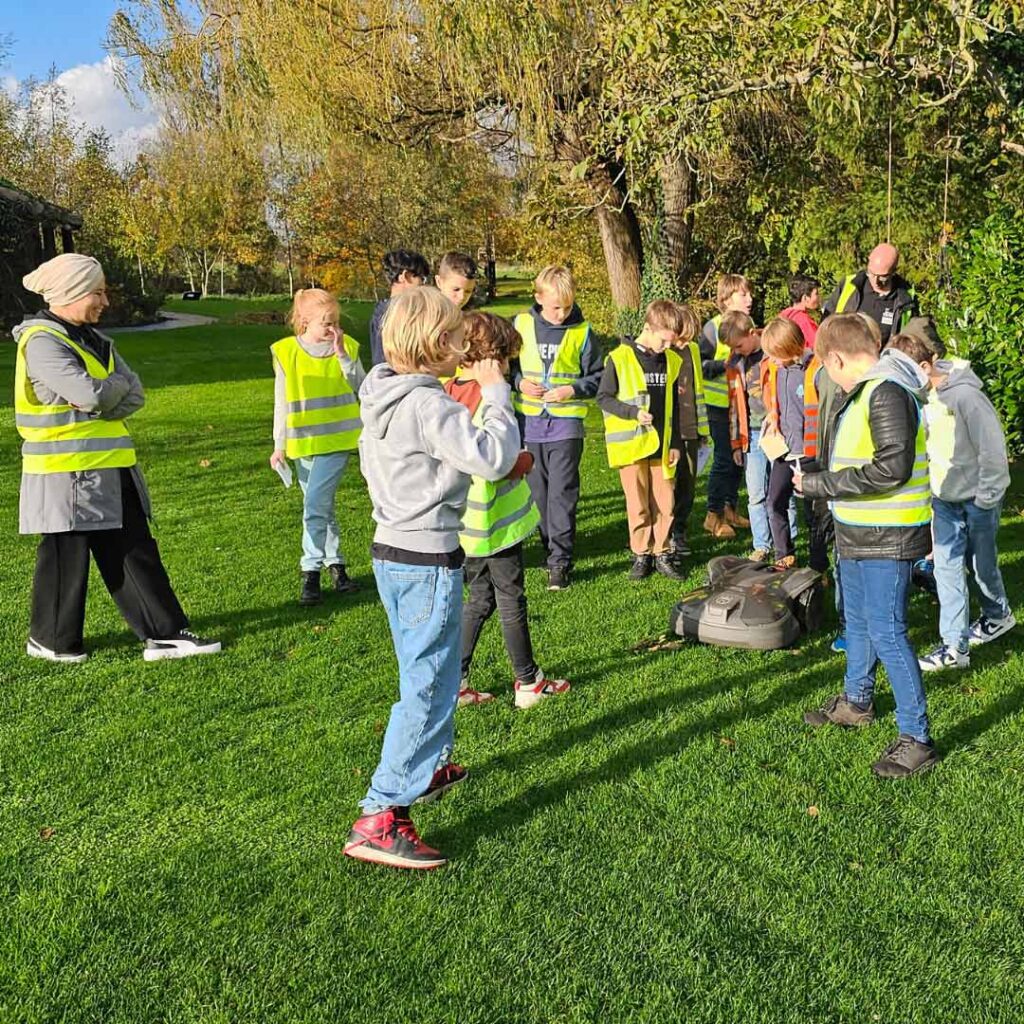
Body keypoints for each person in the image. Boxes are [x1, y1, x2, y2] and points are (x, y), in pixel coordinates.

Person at [344, 287, 521, 870]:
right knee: (428, 685)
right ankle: (380, 815)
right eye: (459, 339)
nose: (466, 349)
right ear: (438, 343)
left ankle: (427, 766)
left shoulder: (382, 391)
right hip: (426, 559)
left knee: (428, 672)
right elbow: (492, 457)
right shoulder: (428, 405)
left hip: (391, 551)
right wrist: (496, 393)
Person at [14, 253, 220, 663]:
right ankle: (53, 640)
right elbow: (92, 395)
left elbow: (133, 394)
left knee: (130, 547)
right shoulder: (42, 342)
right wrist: (109, 390)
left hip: (105, 467)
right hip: (66, 472)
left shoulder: (93, 340)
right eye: (98, 292)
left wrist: (105, 393)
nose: (105, 302)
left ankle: (161, 634)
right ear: (71, 292)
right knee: (69, 555)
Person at [798, 314, 938, 779]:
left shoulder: (886, 391)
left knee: (887, 631)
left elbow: (892, 468)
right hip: (858, 529)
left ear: (836, 359)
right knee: (857, 620)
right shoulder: (868, 391)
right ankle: (856, 700)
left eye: (826, 369)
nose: (828, 378)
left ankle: (917, 738)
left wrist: (821, 484)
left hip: (886, 533)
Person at [444, 312, 571, 707]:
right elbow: (496, 461)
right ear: (491, 358)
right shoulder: (489, 396)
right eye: (505, 360)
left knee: (480, 598)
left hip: (465, 523)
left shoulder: (447, 390)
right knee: (511, 598)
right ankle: (529, 682)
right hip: (495, 521)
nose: (507, 369)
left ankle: (455, 682)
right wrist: (524, 462)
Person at [887, 333, 1015, 670]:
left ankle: (998, 615)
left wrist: (986, 499)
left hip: (978, 499)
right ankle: (955, 647)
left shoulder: (967, 398)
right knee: (946, 569)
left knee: (982, 567)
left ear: (924, 366)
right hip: (944, 500)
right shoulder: (921, 399)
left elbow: (993, 451)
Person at [270, 288, 364, 605]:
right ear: (305, 320)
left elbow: (364, 387)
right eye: (327, 323)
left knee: (314, 506)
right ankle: (337, 566)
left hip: (338, 440)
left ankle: (309, 571)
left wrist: (342, 355)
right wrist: (279, 444)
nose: (333, 328)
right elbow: (281, 402)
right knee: (323, 507)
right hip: (302, 443)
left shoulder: (348, 346)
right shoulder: (286, 352)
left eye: (336, 321)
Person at [512, 265, 601, 590]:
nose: (561, 314)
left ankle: (559, 562)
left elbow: (597, 377)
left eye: (567, 306)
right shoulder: (521, 324)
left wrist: (571, 390)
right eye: (555, 308)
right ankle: (549, 546)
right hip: (530, 423)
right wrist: (520, 383)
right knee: (539, 495)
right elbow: (506, 367)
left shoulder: (583, 332)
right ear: (538, 298)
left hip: (566, 425)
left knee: (562, 494)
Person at [596, 300, 687, 581]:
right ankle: (641, 553)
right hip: (632, 446)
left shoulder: (671, 360)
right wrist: (632, 413)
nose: (667, 347)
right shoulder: (619, 358)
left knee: (665, 501)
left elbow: (674, 406)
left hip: (663, 445)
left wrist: (676, 442)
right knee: (638, 503)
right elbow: (603, 398)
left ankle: (663, 552)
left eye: (671, 342)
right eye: (663, 341)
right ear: (648, 328)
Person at [725, 313, 794, 561]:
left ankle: (788, 545)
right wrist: (736, 442)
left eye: (739, 345)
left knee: (783, 492)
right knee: (756, 493)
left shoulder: (773, 354)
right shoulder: (734, 363)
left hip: (776, 431)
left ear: (752, 334)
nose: (736, 351)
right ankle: (761, 545)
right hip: (751, 435)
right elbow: (734, 406)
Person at [760, 317, 818, 568]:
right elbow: (777, 404)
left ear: (791, 347)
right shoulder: (777, 370)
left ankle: (818, 565)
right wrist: (772, 419)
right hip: (784, 451)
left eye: (775, 354)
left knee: (814, 514)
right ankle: (784, 556)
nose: (771, 360)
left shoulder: (815, 369)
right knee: (774, 502)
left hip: (810, 453)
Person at [701, 274, 754, 539]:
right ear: (726, 299)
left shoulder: (749, 325)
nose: (750, 299)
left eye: (749, 293)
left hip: (741, 406)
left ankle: (730, 508)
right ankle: (713, 516)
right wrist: (723, 366)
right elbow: (699, 365)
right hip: (718, 406)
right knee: (723, 459)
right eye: (743, 294)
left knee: (738, 460)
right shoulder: (712, 328)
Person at [669, 302, 709, 558]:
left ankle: (679, 530)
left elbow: (698, 388)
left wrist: (702, 429)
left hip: (691, 428)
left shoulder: (692, 350)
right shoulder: (662, 351)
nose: (684, 343)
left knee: (688, 485)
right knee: (667, 487)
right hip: (669, 432)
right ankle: (664, 533)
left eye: (689, 338)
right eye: (681, 338)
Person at [822, 243, 919, 347]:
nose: (875, 281)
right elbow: (826, 323)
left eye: (882, 277)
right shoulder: (849, 285)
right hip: (843, 352)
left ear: (893, 272)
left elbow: (911, 339)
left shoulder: (906, 299)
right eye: (871, 273)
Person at [368, 249, 430, 367]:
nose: (423, 285)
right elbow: (383, 361)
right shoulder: (392, 315)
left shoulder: (382, 310)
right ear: (405, 276)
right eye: (422, 279)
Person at [779, 274, 820, 351]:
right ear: (805, 298)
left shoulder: (783, 315)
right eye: (816, 294)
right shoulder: (805, 321)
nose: (819, 297)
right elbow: (819, 346)